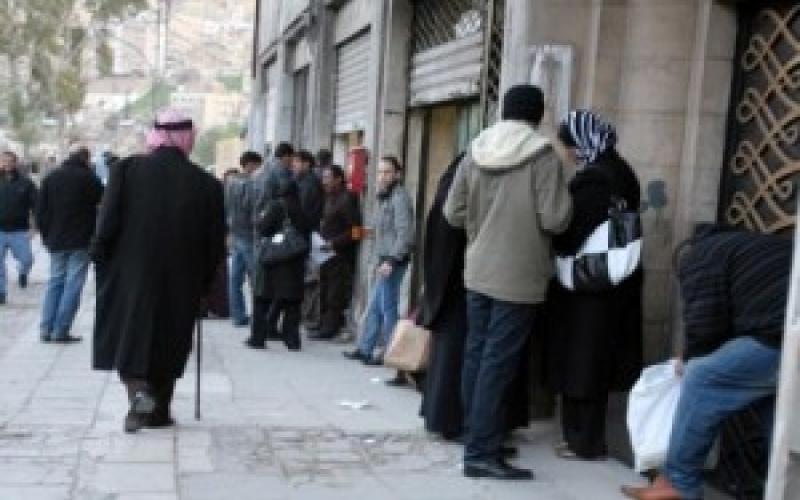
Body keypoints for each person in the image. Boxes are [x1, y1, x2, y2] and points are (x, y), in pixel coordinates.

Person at [443, 84, 573, 480]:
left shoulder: (477, 149)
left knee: (476, 356)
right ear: (537, 115)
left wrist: (482, 231)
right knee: (498, 365)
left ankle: (477, 438)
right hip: (518, 275)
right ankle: (481, 453)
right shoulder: (542, 155)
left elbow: (453, 212)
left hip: (479, 269)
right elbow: (555, 219)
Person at [622, 225, 792, 500]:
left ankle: (678, 483)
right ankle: (781, 487)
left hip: (779, 339)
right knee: (771, 404)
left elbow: (705, 324)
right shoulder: (750, 248)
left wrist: (688, 359)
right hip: (783, 336)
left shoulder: (700, 258)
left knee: (701, 376)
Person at [90, 110, 226, 434]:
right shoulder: (207, 183)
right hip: (183, 277)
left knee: (128, 337)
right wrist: (206, 283)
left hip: (129, 273)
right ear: (187, 138)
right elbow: (214, 242)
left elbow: (106, 223)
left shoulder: (126, 170)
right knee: (171, 339)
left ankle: (139, 395)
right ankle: (159, 410)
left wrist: (101, 258)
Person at [545, 109, 644, 460]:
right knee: (595, 361)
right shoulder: (621, 171)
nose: (569, 153)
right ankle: (584, 438)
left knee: (583, 363)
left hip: (590, 288)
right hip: (614, 285)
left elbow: (571, 231)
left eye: (570, 145)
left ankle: (583, 441)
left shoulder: (594, 180)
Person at [343, 156, 414, 365]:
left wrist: (391, 261)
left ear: (397, 174)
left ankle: (389, 353)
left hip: (393, 261)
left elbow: (405, 234)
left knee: (388, 308)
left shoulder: (400, 198)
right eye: (380, 172)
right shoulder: (384, 197)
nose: (382, 176)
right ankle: (365, 348)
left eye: (387, 172)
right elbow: (378, 230)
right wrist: (355, 233)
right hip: (382, 259)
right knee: (375, 306)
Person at [36, 146, 103, 343]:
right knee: (73, 284)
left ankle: (45, 328)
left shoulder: (51, 178)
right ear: (86, 159)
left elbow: (40, 211)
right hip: (80, 240)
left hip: (55, 240)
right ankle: (61, 330)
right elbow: (102, 201)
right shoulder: (88, 178)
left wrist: (46, 236)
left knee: (55, 282)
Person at [245, 177, 311, 351]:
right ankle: (292, 340)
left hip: (274, 262)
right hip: (294, 264)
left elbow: (262, 228)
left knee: (262, 300)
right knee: (292, 304)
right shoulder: (301, 210)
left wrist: (259, 219)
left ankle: (257, 338)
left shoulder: (275, 206)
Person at [311, 165, 361, 340]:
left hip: (339, 254)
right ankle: (323, 322)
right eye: (323, 178)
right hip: (324, 253)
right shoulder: (329, 198)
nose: (324, 181)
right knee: (324, 288)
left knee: (335, 292)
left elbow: (356, 231)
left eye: (328, 178)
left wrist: (334, 243)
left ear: (339, 179)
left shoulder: (346, 200)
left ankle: (330, 327)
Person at [226, 151, 263, 327]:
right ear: (250, 165)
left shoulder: (230, 182)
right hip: (249, 235)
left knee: (235, 279)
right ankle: (258, 316)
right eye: (258, 166)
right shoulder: (250, 184)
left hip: (235, 234)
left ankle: (238, 316)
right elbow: (252, 209)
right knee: (256, 279)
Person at [0, 151, 37, 305]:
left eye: (10, 161)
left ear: (15, 163)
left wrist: (34, 227)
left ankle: (23, 272)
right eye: (4, 161)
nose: (7, 164)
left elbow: (36, 206)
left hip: (20, 230)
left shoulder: (26, 183)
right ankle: (1, 293)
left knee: (27, 259)